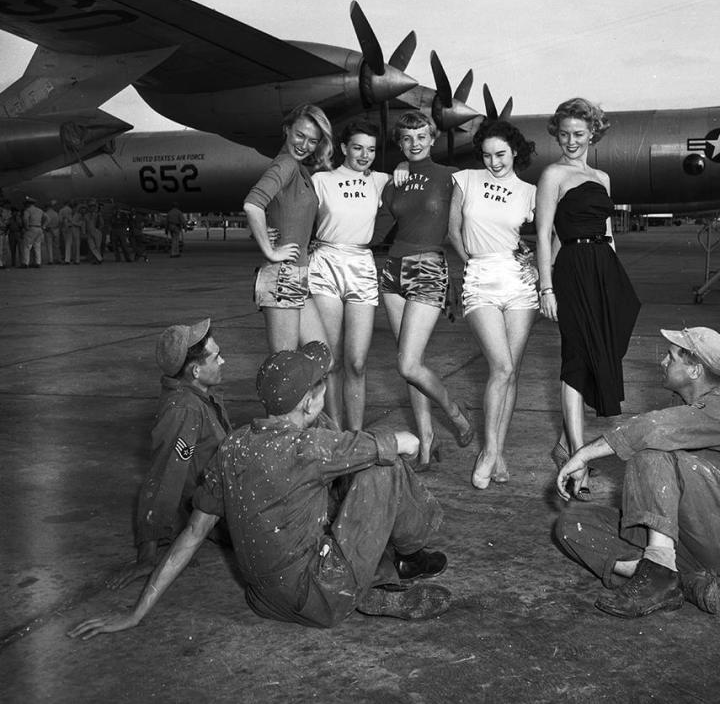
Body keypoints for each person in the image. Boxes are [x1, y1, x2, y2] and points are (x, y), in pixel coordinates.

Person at [69, 342, 452, 638]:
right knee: (382, 468)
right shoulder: (312, 447)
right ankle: (408, 553)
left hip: (266, 602)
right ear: (306, 402)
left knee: (336, 477)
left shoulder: (232, 446)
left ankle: (375, 576)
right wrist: (373, 443)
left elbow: (191, 535)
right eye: (320, 387)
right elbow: (409, 444)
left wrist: (136, 613)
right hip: (319, 596)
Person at [554, 327, 720, 618]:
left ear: (694, 370)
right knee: (571, 525)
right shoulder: (689, 403)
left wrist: (583, 454)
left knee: (651, 453)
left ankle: (658, 572)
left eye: (671, 356)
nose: (662, 362)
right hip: (693, 538)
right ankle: (677, 578)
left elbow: (650, 429)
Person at [535, 97, 640, 500]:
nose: (571, 141)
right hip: (573, 268)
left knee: (611, 342)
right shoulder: (552, 175)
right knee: (577, 356)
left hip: (604, 265)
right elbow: (545, 234)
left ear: (593, 133)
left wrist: (615, 276)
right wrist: (546, 287)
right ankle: (576, 456)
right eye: (564, 134)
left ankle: (566, 440)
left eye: (579, 134)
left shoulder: (602, 176)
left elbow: (609, 231)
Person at [377, 111, 474, 471]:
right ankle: (427, 442)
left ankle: (454, 411)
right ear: (399, 142)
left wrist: (473, 259)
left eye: (421, 137)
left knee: (407, 363)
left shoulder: (453, 177)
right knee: (408, 365)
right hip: (391, 272)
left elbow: (458, 227)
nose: (415, 143)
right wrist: (399, 168)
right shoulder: (394, 180)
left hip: (428, 269)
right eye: (407, 139)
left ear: (432, 138)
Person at [106, 318, 232, 590]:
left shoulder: (200, 396)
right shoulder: (184, 411)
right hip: (219, 507)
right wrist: (148, 554)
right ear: (196, 371)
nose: (223, 362)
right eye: (217, 357)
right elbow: (164, 477)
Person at [448, 120, 538, 489]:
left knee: (511, 371)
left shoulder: (530, 192)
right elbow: (454, 230)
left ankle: (498, 450)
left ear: (515, 151)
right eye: (487, 155)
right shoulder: (465, 179)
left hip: (518, 282)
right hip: (479, 275)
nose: (494, 162)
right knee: (500, 365)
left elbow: (547, 235)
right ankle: (488, 450)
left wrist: (536, 265)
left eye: (500, 154)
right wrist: (470, 261)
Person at [309, 121, 390, 430]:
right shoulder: (321, 180)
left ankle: (355, 438)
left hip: (361, 265)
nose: (365, 155)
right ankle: (335, 435)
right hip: (326, 263)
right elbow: (297, 214)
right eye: (358, 147)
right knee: (330, 361)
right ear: (343, 148)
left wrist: (404, 167)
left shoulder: (381, 181)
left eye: (371, 149)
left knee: (357, 363)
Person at [244, 102, 333, 353]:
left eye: (313, 141)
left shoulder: (300, 169)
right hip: (283, 276)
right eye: (300, 135)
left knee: (322, 358)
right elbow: (253, 204)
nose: (304, 145)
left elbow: (284, 212)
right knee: (283, 370)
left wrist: (301, 239)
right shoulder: (285, 164)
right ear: (287, 130)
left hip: (297, 275)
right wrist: (271, 251)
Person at [21, 196, 45, 267]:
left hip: (31, 228)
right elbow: (47, 218)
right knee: (37, 246)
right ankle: (38, 262)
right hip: (39, 228)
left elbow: (25, 219)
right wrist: (44, 226)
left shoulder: (27, 210)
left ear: (28, 204)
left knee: (27, 246)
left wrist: (26, 227)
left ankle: (25, 263)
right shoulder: (40, 210)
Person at [61, 200, 83, 265]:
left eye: (74, 207)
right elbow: (65, 223)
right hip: (69, 230)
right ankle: (67, 260)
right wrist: (69, 224)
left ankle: (77, 260)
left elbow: (81, 224)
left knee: (76, 245)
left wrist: (73, 223)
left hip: (76, 230)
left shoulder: (79, 215)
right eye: (72, 207)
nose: (73, 209)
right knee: (68, 244)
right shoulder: (68, 215)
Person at [43, 200, 62, 264]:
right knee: (56, 245)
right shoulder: (56, 213)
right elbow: (60, 222)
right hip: (56, 229)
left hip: (48, 230)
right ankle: (57, 258)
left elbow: (43, 223)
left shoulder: (45, 214)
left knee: (49, 246)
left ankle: (50, 260)